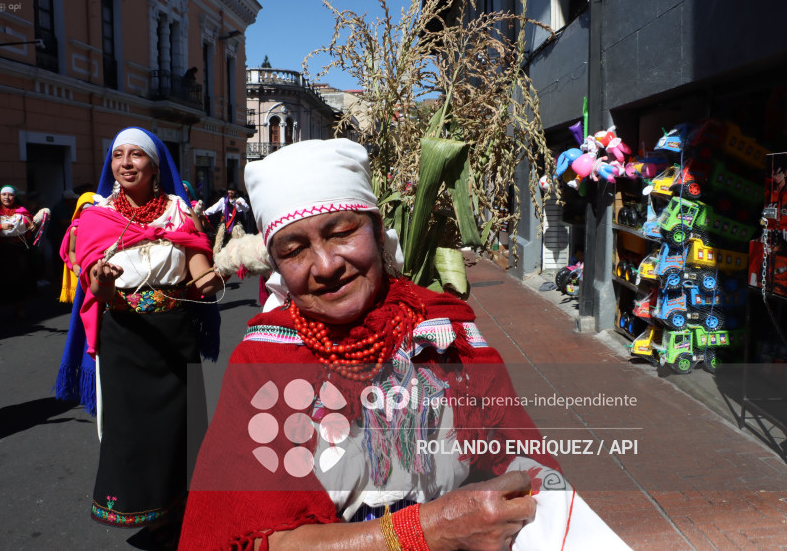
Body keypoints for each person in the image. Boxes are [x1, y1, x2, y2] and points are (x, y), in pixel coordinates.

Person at [180, 139, 630, 550]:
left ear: (378, 231)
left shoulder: (444, 332)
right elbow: (266, 541)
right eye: (294, 249)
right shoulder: (265, 360)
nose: (326, 265)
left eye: (341, 232)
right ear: (276, 264)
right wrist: (430, 530)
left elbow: (514, 455)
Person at [63, 127, 227, 545]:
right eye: (118, 155)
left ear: (155, 166)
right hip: (124, 336)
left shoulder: (178, 211)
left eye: (136, 154)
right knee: (132, 432)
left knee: (182, 425)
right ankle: (152, 517)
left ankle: (185, 506)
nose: (126, 163)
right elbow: (96, 290)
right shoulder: (97, 216)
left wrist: (218, 274)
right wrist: (101, 281)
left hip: (175, 334)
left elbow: (199, 273)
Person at [0, 185, 37, 318]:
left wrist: (33, 225)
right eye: (4, 195)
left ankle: (20, 307)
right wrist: (0, 226)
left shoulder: (22, 211)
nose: (7, 197)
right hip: (3, 250)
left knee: (20, 278)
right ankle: (1, 305)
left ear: (15, 197)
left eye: (10, 195)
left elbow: (31, 228)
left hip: (19, 250)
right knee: (4, 278)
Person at [58, 191, 96, 303]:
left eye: (91, 209)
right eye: (84, 209)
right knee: (82, 301)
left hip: (96, 267)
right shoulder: (75, 228)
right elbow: (71, 251)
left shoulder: (102, 226)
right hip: (82, 269)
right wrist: (74, 265)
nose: (87, 212)